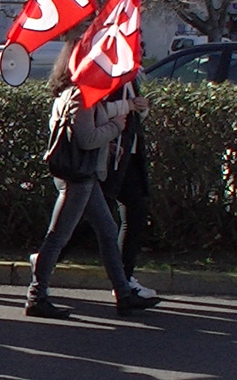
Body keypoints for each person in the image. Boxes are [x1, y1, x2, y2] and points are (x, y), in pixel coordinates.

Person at [26, 44, 165, 319]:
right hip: (77, 176)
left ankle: (123, 294)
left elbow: (91, 124)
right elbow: (87, 138)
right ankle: (36, 296)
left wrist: (119, 117)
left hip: (82, 175)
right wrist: (116, 127)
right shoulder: (81, 96)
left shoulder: (77, 94)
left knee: (107, 230)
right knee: (58, 236)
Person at [99, 77, 157, 300]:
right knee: (85, 221)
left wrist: (141, 109)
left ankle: (124, 279)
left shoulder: (131, 76)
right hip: (110, 156)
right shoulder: (107, 70)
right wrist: (128, 106)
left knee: (136, 213)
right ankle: (46, 260)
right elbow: (93, 106)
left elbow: (133, 113)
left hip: (129, 158)